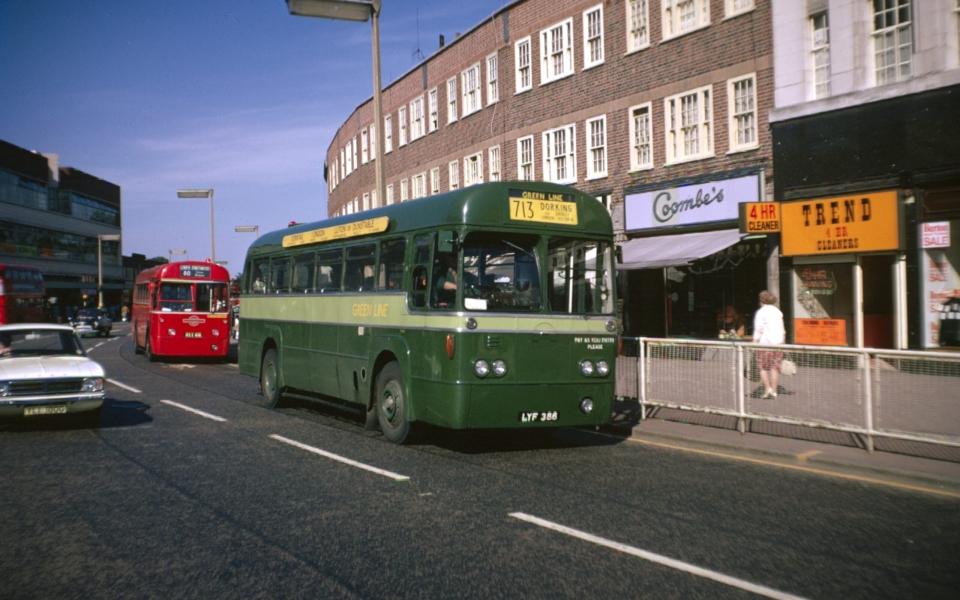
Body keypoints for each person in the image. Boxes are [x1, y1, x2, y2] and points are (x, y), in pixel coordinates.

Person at [752, 290, 786, 399]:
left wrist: (754, 341)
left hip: (765, 343)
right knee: (774, 367)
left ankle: (768, 388)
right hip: (778, 343)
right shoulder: (778, 312)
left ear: (761, 300)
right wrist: (783, 342)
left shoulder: (761, 312)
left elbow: (759, 329)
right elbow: (782, 329)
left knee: (762, 367)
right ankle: (775, 390)